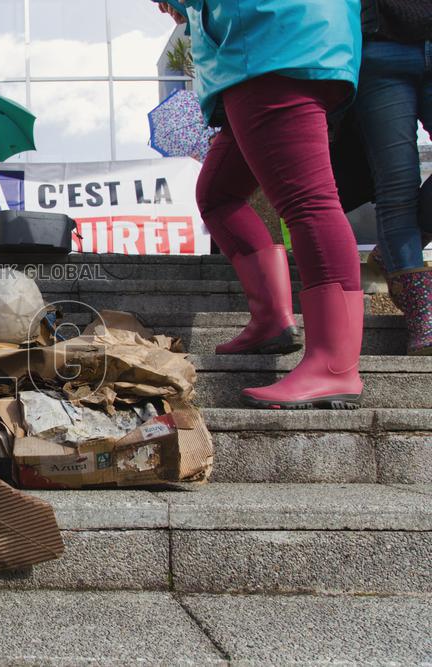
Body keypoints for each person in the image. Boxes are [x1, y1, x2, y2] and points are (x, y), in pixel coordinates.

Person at [156, 0, 365, 409]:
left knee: (309, 202)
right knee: (218, 194)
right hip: (278, 39)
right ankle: (272, 318)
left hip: (269, 41)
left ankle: (334, 366)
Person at [352, 0, 432, 355]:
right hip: (379, 45)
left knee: (397, 188)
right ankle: (422, 315)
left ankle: (395, 255)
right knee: (397, 183)